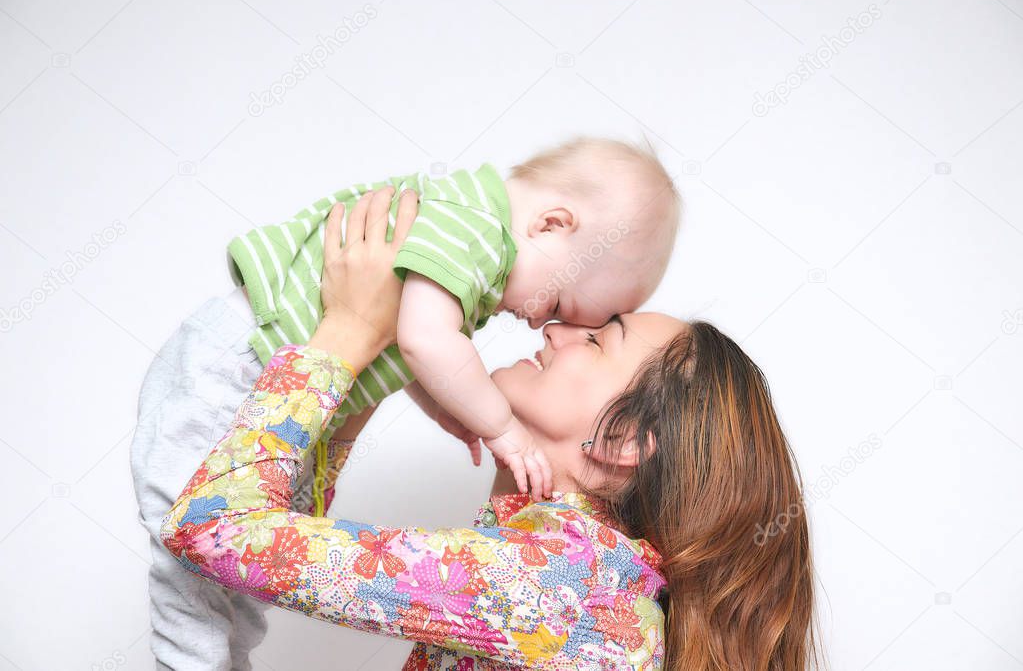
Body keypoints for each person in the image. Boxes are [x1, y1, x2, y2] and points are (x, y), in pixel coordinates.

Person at [159, 189, 817, 669]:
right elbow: (259, 547)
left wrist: (346, 334)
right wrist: (365, 371)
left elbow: (214, 531)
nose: (557, 330)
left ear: (623, 443)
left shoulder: (559, 583)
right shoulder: (587, 581)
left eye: (597, 342)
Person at [227, 137, 681, 515]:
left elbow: (410, 344)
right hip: (246, 356)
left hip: (273, 379)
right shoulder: (478, 228)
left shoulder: (473, 243)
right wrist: (500, 428)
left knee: (225, 587)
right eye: (558, 301)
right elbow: (424, 340)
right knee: (196, 574)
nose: (543, 324)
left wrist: (445, 401)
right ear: (551, 225)